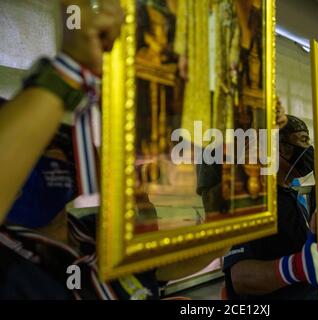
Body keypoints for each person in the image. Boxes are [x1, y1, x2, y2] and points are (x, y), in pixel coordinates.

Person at [0, 0, 226, 299]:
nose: (53, 156)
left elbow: (205, 249)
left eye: (58, 145)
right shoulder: (9, 267)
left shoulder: (98, 234)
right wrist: (70, 69)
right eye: (33, 147)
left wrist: (251, 145)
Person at [222, 115, 318, 300]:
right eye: (303, 140)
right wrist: (297, 267)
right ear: (279, 148)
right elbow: (240, 279)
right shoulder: (251, 199)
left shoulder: (290, 196)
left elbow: (313, 251)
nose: (309, 150)